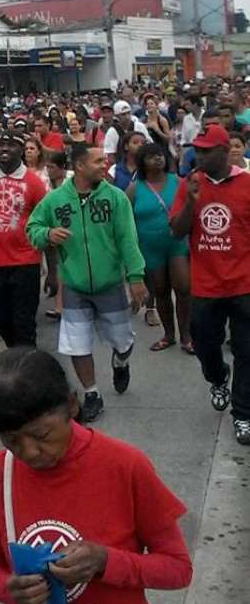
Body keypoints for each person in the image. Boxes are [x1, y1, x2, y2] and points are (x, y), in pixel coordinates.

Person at [0, 347, 192, 604]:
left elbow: (178, 569)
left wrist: (105, 562)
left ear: (72, 404)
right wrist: (8, 588)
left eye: (41, 435)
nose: (29, 452)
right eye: (11, 441)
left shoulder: (125, 466)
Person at [26, 145, 148, 422]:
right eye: (97, 161)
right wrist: (46, 234)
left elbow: (127, 239)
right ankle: (92, 393)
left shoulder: (116, 198)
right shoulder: (55, 200)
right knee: (77, 345)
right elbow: (32, 227)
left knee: (123, 340)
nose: (104, 165)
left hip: (111, 285)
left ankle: (121, 359)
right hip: (75, 288)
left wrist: (136, 277)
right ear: (80, 166)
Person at [170, 124, 250, 445]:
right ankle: (218, 378)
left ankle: (243, 413)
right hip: (204, 286)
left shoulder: (246, 184)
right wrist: (191, 201)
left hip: (244, 283)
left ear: (224, 151)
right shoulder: (189, 184)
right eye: (196, 150)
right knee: (204, 344)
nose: (198, 155)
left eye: (205, 150)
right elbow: (176, 231)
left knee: (247, 351)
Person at [0, 131, 47, 348]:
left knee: (24, 322)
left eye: (12, 145)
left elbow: (45, 225)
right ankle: (16, 351)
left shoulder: (34, 182)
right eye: (2, 144)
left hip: (26, 261)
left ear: (22, 151)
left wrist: (53, 272)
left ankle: (27, 368)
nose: (5, 148)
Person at [126, 144, 192, 353]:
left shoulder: (178, 182)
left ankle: (187, 337)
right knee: (161, 292)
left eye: (160, 155)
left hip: (176, 244)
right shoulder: (134, 188)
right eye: (152, 157)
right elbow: (126, 222)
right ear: (142, 162)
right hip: (149, 248)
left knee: (183, 289)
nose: (158, 159)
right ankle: (169, 335)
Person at [103, 100, 150, 165]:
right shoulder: (112, 131)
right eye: (123, 114)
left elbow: (149, 144)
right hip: (122, 165)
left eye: (128, 113)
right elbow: (110, 155)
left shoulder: (139, 126)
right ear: (117, 116)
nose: (127, 117)